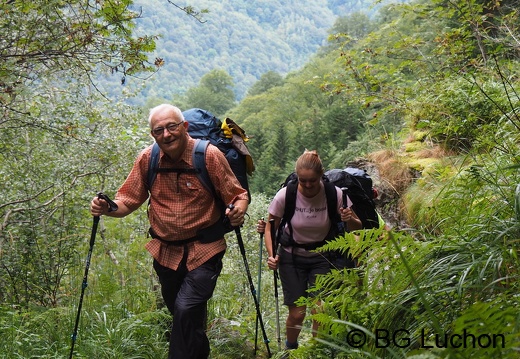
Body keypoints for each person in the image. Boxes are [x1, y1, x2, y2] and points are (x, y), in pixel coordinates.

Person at [89, 104, 249, 359]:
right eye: (158, 130)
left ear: (184, 127)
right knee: (183, 315)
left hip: (205, 249)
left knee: (186, 310)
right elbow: (128, 200)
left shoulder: (209, 156)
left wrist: (239, 210)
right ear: (153, 135)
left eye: (172, 127)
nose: (166, 134)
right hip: (165, 254)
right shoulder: (147, 159)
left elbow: (238, 195)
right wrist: (106, 207)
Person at [262, 150, 362, 352]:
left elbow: (357, 228)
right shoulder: (286, 195)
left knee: (321, 309)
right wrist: (271, 255)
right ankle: (291, 349)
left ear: (321, 176)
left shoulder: (335, 194)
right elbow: (270, 226)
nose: (308, 185)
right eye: (303, 181)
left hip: (324, 257)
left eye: (312, 181)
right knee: (298, 313)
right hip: (291, 257)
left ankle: (317, 351)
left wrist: (349, 218)